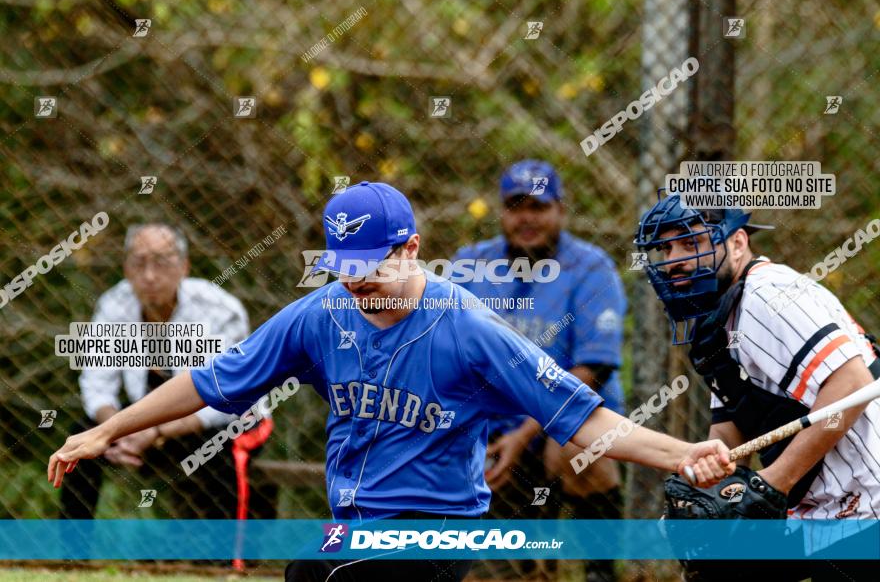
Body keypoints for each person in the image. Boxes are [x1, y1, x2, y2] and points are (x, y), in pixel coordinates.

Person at [50, 182, 735, 581]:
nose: (358, 279)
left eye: (374, 263)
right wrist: (106, 427)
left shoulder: (465, 326)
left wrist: (685, 453)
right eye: (345, 265)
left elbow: (584, 420)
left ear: (412, 248)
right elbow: (212, 379)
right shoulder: (321, 314)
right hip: (353, 520)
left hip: (439, 525)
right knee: (306, 573)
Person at [634, 194, 880, 581]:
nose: (675, 259)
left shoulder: (769, 294)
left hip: (867, 504)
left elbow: (852, 384)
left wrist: (771, 484)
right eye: (663, 248)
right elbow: (732, 424)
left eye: (690, 242)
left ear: (737, 242)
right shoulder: (719, 316)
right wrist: (713, 488)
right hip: (822, 510)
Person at [452, 160, 626, 581]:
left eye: (538, 206)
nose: (526, 218)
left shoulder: (590, 267)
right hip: (492, 426)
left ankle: (599, 572)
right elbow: (447, 355)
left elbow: (594, 367)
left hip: (561, 421)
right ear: (502, 212)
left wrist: (524, 434)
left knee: (576, 446)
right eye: (516, 206)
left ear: (560, 210)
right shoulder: (471, 265)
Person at [60, 223, 274, 520]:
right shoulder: (113, 305)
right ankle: (71, 558)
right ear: (126, 268)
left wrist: (154, 431)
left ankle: (223, 562)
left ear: (184, 267)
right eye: (139, 263)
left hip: (224, 421)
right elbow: (97, 385)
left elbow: (225, 398)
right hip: (143, 426)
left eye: (161, 262)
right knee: (81, 439)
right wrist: (116, 432)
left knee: (216, 450)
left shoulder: (219, 309)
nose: (149, 275)